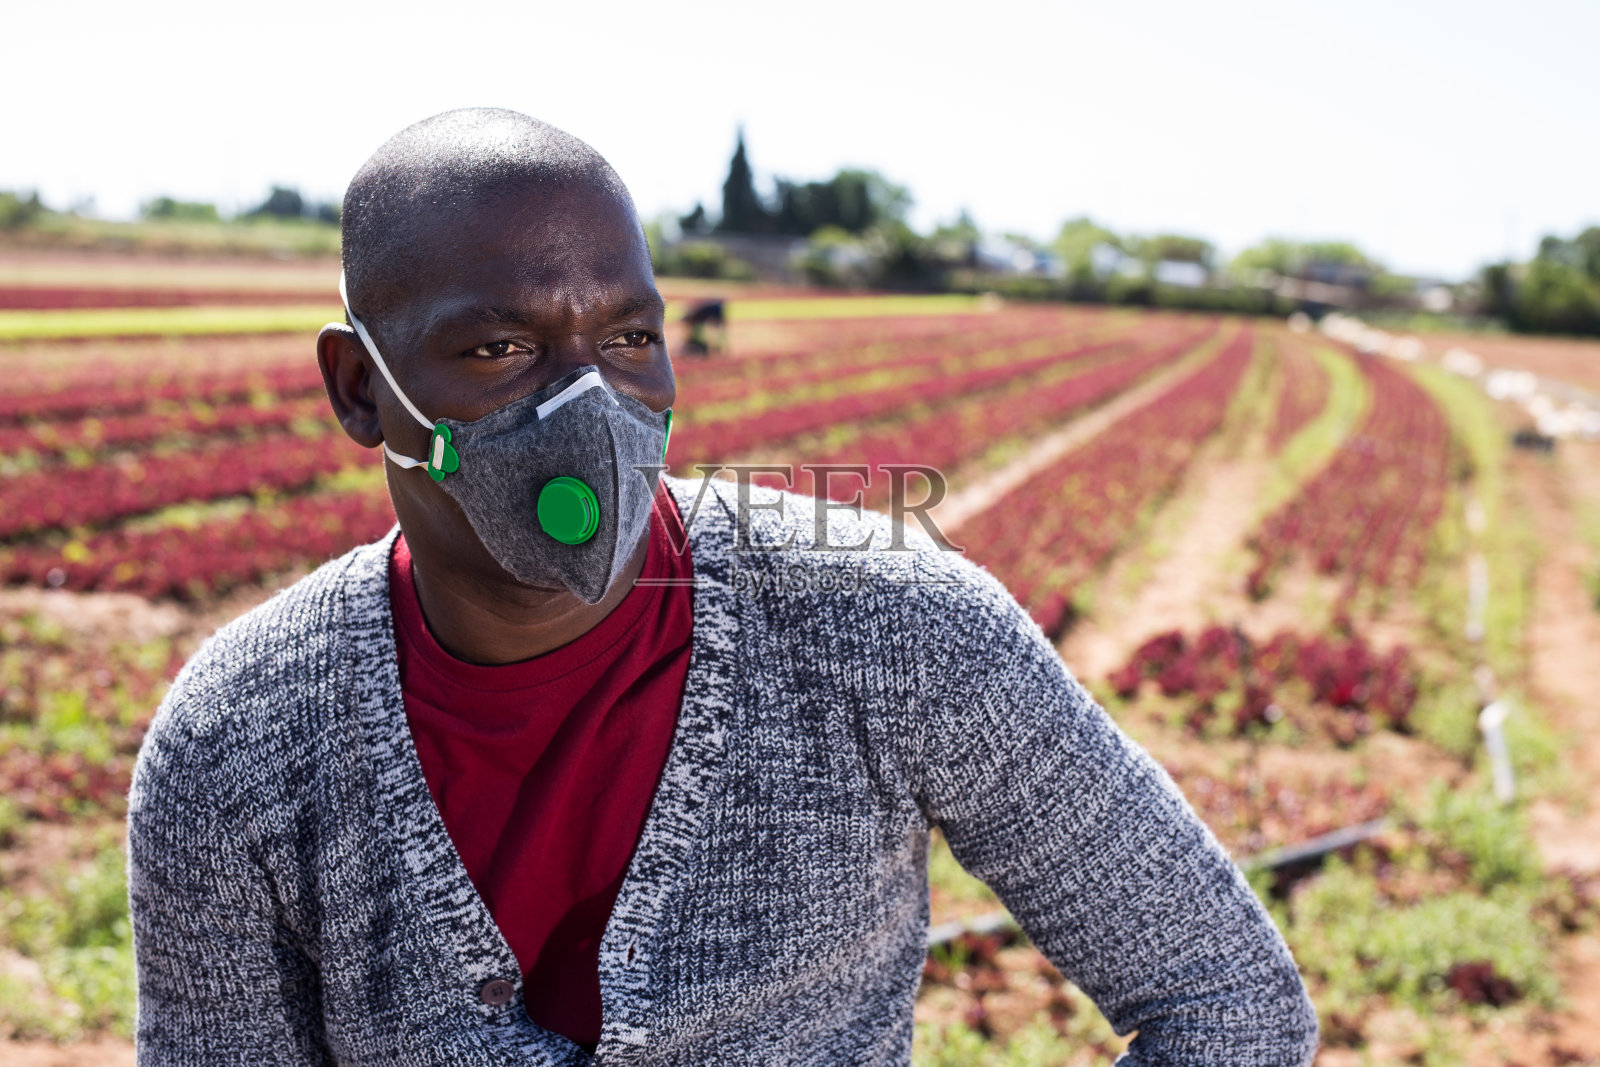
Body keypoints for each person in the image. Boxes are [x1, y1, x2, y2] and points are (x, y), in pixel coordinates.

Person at [128, 108, 1318, 1066]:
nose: (588, 405)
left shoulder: (893, 624)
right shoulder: (239, 738)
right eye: (500, 348)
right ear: (358, 387)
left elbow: (1226, 1002)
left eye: (629, 339)